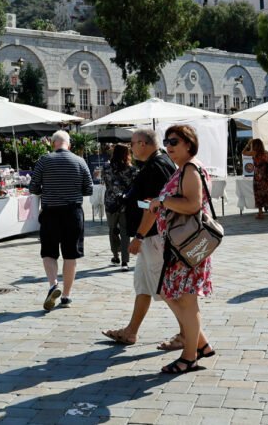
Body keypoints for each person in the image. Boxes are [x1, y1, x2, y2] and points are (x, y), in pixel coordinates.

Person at [100, 127, 177, 347]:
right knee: (143, 285)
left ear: (143, 144)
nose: (131, 148)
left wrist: (139, 236)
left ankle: (190, 334)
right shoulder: (157, 163)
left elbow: (153, 207)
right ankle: (130, 332)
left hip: (153, 236)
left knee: (165, 287)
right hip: (151, 236)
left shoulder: (155, 166)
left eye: (132, 144)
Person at [154, 124, 216, 374]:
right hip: (180, 246)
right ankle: (201, 345)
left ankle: (189, 357)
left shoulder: (190, 168)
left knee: (188, 302)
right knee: (173, 294)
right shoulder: (182, 169)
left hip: (187, 247)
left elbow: (192, 205)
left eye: (174, 141)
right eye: (166, 142)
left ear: (188, 143)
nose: (168, 146)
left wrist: (162, 201)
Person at [28, 130, 93, 310]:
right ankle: (66, 296)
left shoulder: (44, 160)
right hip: (73, 213)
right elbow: (88, 189)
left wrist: (48, 189)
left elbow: (33, 187)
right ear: (69, 145)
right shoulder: (80, 161)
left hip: (50, 213)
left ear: (52, 143)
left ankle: (53, 285)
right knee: (71, 254)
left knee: (49, 252)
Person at [102, 144, 137, 270]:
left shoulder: (106, 167)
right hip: (125, 203)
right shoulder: (132, 169)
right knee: (125, 232)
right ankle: (125, 262)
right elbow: (135, 186)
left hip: (110, 202)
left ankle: (115, 256)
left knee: (112, 230)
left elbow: (104, 181)